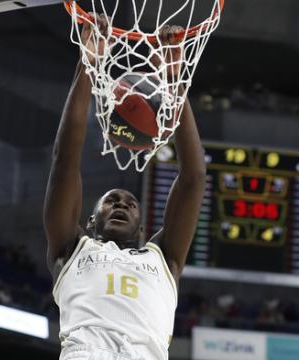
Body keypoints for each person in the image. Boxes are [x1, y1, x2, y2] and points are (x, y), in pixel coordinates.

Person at [44, 15, 206, 360]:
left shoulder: (164, 259)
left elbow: (193, 179)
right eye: (111, 201)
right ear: (90, 221)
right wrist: (88, 64)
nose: (120, 204)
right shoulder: (71, 250)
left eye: (130, 204)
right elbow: (65, 161)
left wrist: (176, 80)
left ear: (144, 228)